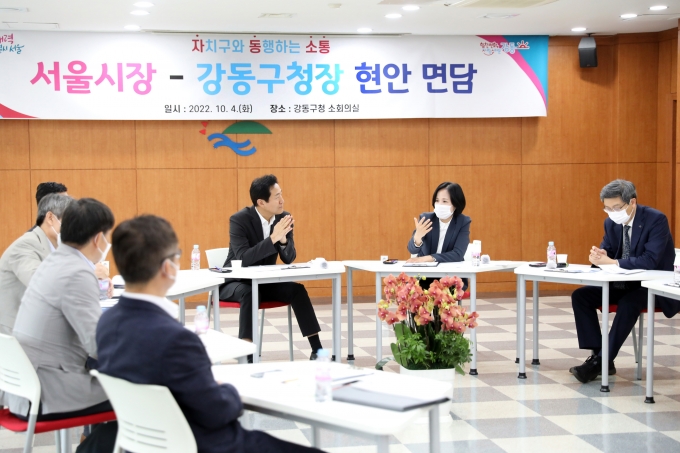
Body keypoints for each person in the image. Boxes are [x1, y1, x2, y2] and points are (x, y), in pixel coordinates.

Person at [96, 215, 323, 453]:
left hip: (147, 442)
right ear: (167, 268)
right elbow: (219, 410)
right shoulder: (177, 339)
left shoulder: (106, 324)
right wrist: (227, 389)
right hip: (208, 444)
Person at [7, 198, 115, 420]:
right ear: (98, 238)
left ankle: (94, 439)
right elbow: (97, 345)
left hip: (25, 388)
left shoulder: (54, 261)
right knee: (142, 390)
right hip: (48, 393)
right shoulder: (77, 271)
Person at [570, 179, 678, 383]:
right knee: (581, 296)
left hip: (652, 286)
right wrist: (599, 257)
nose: (612, 212)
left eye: (617, 207)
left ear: (632, 202)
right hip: (624, 283)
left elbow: (650, 260)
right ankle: (602, 358)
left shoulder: (656, 220)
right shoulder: (611, 222)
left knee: (629, 303)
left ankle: (599, 363)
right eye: (607, 208)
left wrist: (613, 262)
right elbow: (609, 252)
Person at [219, 174, 324, 361]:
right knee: (249, 293)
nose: (282, 200)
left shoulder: (283, 218)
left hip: (263, 282)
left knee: (297, 290)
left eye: (281, 194)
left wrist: (283, 241)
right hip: (235, 282)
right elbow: (243, 259)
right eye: (277, 197)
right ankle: (247, 354)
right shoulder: (239, 220)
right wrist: (273, 238)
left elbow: (289, 258)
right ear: (261, 202)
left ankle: (317, 350)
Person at [0, 194, 74, 335]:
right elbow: (40, 283)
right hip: (15, 332)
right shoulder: (26, 244)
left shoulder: (57, 247)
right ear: (50, 218)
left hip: (38, 326)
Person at [406, 182, 471, 289]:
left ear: (455, 204)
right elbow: (412, 250)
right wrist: (417, 237)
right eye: (437, 200)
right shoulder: (426, 218)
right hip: (424, 275)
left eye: (444, 201)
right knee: (412, 289)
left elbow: (458, 254)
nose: (439, 204)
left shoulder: (463, 222)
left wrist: (428, 258)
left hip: (450, 276)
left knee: (444, 292)